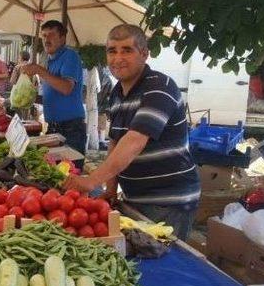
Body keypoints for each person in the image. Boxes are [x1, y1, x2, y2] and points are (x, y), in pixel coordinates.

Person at [65, 24, 200, 241]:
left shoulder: (159, 87)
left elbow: (135, 140)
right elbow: (115, 142)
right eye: (112, 51)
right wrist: (110, 188)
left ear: (144, 54)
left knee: (162, 262)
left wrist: (92, 180)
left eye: (126, 50)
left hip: (168, 200)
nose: (118, 58)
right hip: (135, 198)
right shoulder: (117, 93)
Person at [21, 20, 86, 168]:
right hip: (53, 127)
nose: (46, 39)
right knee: (54, 174)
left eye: (51, 35)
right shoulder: (50, 60)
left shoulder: (70, 56)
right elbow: (53, 92)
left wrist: (39, 70)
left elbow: (66, 88)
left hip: (70, 129)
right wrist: (28, 96)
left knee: (70, 175)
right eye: (44, 36)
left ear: (63, 38)